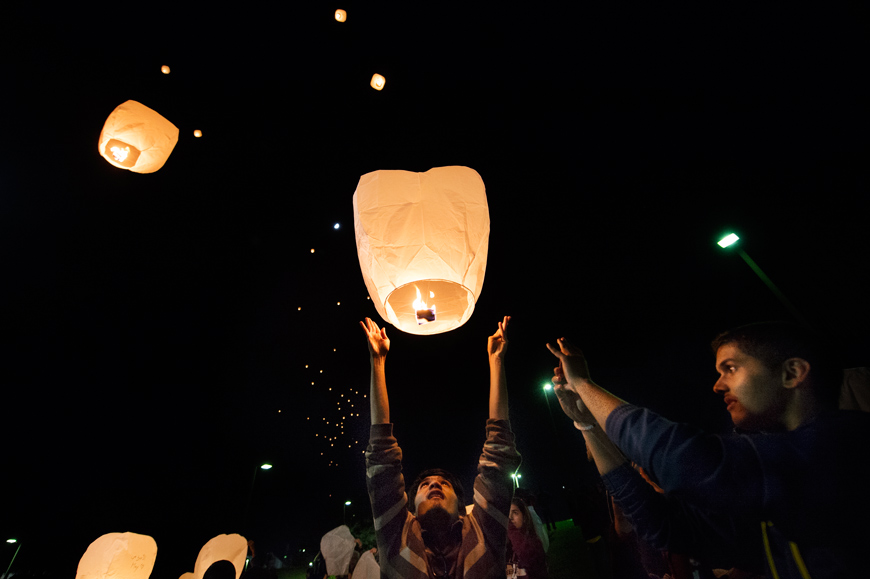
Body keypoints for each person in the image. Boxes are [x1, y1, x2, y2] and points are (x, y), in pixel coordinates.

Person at [546, 321, 870, 578]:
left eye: (730, 368)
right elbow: (667, 527)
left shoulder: (843, 447)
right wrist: (586, 425)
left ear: (792, 372)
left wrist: (585, 385)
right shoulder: (774, 493)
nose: (718, 385)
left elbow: (686, 460)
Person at [361, 316, 521, 579]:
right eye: (425, 485)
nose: (434, 485)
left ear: (462, 506)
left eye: (444, 484)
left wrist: (497, 361)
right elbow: (381, 461)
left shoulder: (484, 531)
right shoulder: (395, 538)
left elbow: (499, 455)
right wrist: (376, 362)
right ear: (409, 509)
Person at [506, 498, 548, 579]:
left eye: (515, 513)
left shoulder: (533, 544)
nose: (510, 518)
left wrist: (511, 530)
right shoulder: (503, 546)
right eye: (507, 513)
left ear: (524, 517)